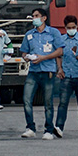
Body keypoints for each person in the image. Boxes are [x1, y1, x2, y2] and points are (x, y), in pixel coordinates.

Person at [19, 7, 64, 139]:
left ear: (44, 18)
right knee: (27, 99)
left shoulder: (53, 33)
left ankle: (49, 129)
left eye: (36, 16)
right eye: (33, 16)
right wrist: (26, 57)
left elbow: (60, 51)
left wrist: (43, 57)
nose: (34, 18)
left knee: (48, 102)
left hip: (47, 71)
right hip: (33, 71)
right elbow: (23, 51)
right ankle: (30, 127)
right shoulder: (29, 34)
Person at [54, 15, 78, 137]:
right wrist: (59, 69)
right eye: (69, 27)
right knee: (63, 103)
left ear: (77, 27)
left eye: (73, 27)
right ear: (65, 28)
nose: (71, 29)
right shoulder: (61, 40)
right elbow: (59, 55)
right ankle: (59, 127)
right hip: (67, 75)